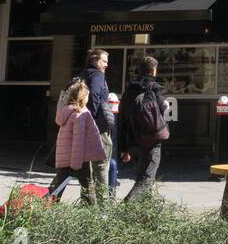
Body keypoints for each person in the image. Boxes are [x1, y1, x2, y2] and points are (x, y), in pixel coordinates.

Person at [119, 56, 167, 201]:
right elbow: (161, 109)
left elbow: (123, 117)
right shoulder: (154, 87)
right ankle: (124, 211)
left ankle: (145, 218)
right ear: (154, 70)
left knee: (143, 178)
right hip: (151, 140)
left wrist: (124, 147)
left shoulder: (130, 89)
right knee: (145, 180)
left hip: (134, 140)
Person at [54, 79, 107, 206]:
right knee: (88, 186)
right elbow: (78, 141)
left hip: (65, 157)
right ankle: (90, 213)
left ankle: (47, 208)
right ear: (83, 97)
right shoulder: (81, 115)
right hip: (77, 159)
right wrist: (76, 164)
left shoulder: (66, 112)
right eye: (88, 96)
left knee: (59, 186)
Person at [78, 49, 116, 199]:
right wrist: (92, 119)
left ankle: (87, 204)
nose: (106, 65)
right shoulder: (97, 75)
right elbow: (94, 94)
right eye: (104, 61)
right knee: (102, 165)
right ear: (95, 61)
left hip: (80, 126)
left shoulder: (81, 74)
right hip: (98, 128)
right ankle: (103, 206)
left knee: (86, 168)